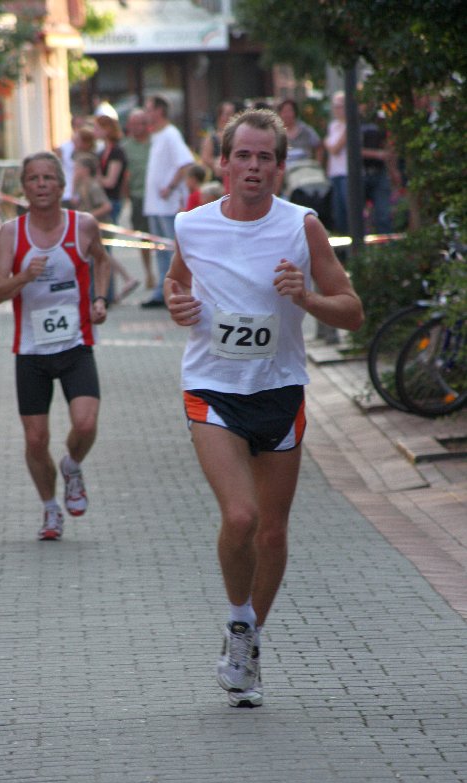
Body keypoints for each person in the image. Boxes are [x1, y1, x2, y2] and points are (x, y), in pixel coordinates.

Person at [164, 109, 363, 707]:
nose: (253, 167)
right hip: (212, 387)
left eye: (265, 157)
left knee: (272, 533)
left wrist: (306, 297)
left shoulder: (302, 226)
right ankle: (238, 617)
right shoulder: (192, 225)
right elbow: (177, 283)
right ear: (223, 162)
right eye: (243, 156)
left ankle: (247, 639)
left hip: (278, 390)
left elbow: (352, 311)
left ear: (279, 166)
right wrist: (177, 304)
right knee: (242, 517)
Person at [0, 151, 111, 542]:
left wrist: (100, 299)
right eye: (33, 178)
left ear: (61, 185)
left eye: (48, 178)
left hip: (75, 344)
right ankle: (50, 509)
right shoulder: (11, 233)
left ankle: (72, 465)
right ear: (24, 188)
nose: (41, 184)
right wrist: (23, 276)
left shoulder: (83, 225)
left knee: (86, 424)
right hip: (31, 351)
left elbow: (102, 261)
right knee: (35, 439)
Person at [141, 94, 194, 308]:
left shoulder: (171, 134)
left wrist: (170, 187)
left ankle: (176, 290)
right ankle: (162, 291)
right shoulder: (157, 135)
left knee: (171, 249)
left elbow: (185, 163)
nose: (146, 114)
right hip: (155, 205)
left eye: (149, 109)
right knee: (160, 250)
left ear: (159, 111)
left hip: (167, 204)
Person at [94, 114, 139, 303]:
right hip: (105, 199)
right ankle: (110, 291)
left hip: (111, 201)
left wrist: (94, 178)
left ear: (107, 129)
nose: (95, 131)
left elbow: (111, 181)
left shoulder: (116, 152)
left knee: (102, 247)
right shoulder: (103, 150)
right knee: (102, 247)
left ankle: (123, 280)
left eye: (98, 127)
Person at [121, 108, 156, 289]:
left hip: (157, 197)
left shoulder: (155, 142)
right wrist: (126, 197)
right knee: (143, 237)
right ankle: (149, 272)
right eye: (132, 124)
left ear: (146, 124)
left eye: (139, 123)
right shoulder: (125, 147)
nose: (136, 127)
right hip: (138, 196)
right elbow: (124, 175)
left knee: (162, 236)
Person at [360, 106, 395, 233]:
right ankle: (360, 244)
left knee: (383, 214)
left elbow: (388, 145)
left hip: (380, 172)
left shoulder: (381, 120)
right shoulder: (353, 120)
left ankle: (386, 243)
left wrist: (393, 171)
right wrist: (377, 154)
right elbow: (351, 150)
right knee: (357, 217)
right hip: (360, 173)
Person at [324, 91, 348, 235]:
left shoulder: (350, 125)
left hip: (347, 173)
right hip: (334, 173)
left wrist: (326, 142)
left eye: (340, 106)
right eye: (335, 106)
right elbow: (331, 152)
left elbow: (335, 148)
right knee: (338, 211)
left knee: (348, 207)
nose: (337, 109)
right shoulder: (333, 126)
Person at [200, 100, 236, 184]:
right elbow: (205, 158)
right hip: (217, 180)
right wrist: (217, 163)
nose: (231, 117)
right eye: (227, 114)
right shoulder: (212, 137)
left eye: (233, 113)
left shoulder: (238, 135)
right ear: (220, 116)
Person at [277, 98, 323, 164]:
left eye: (289, 111)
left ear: (295, 112)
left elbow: (319, 146)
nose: (287, 114)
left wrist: (317, 164)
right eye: (284, 111)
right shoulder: (277, 133)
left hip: (304, 168)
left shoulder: (305, 130)